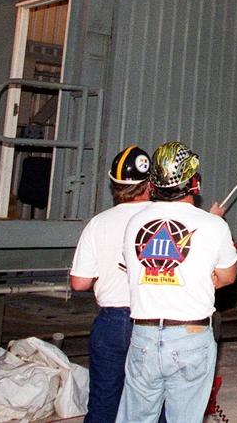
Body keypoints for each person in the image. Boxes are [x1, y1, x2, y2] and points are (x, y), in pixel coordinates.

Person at [117, 142, 237, 423]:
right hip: (191, 337)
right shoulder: (214, 226)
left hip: (143, 337)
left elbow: (140, 269)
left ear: (155, 182)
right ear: (193, 181)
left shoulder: (135, 223)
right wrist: (198, 280)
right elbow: (228, 276)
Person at [70, 145, 154, 423]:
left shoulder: (97, 223)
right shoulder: (162, 220)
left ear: (115, 184)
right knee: (154, 402)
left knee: (104, 402)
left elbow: (80, 283)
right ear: (150, 183)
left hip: (111, 323)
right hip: (153, 323)